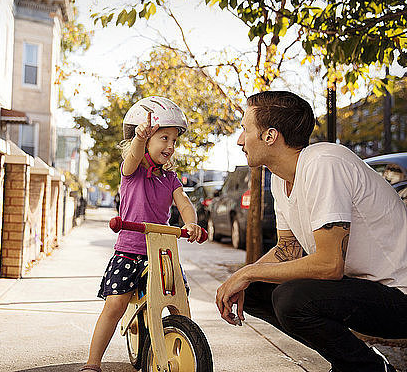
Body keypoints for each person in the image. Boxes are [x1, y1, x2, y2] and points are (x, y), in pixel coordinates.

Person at [215, 91, 407, 372]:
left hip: (399, 296)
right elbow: (286, 250)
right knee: (255, 289)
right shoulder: (280, 180)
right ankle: (349, 361)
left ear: (270, 136)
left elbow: (330, 265)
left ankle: (368, 368)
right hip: (365, 292)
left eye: (245, 129)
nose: (240, 140)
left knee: (290, 298)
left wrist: (247, 271)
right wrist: (241, 278)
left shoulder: (324, 163)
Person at [80, 96, 203, 372]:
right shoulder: (132, 172)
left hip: (162, 252)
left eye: (174, 140)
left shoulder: (170, 178)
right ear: (146, 139)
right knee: (115, 304)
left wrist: (191, 223)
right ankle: (93, 362)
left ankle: (186, 351)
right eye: (163, 138)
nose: (170, 146)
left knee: (180, 303)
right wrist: (139, 138)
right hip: (130, 250)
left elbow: (183, 202)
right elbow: (132, 157)